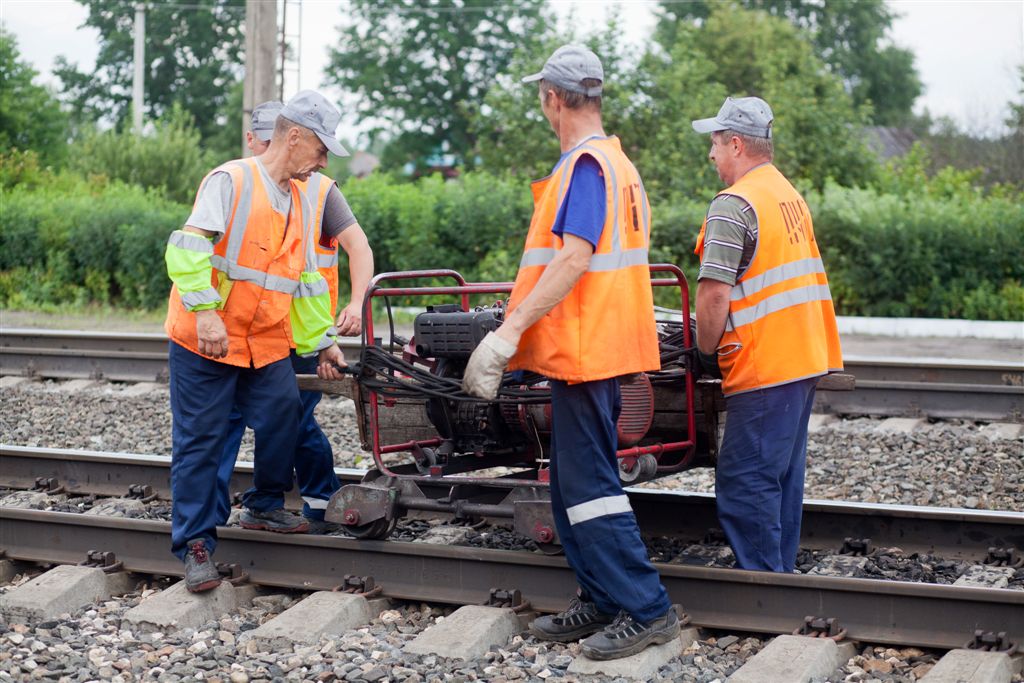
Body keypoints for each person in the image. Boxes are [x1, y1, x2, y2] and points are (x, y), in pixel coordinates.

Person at [462, 45, 679, 661]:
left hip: (588, 349)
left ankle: (647, 608)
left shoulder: (585, 165)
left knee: (591, 488)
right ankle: (602, 596)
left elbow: (575, 257)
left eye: (542, 97)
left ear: (553, 98)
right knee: (568, 485)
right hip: (593, 347)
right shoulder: (616, 163)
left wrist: (507, 334)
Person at [164, 90, 350, 592]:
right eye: (321, 148)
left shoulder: (298, 197)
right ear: (294, 137)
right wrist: (204, 311)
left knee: (284, 416)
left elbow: (304, 281)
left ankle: (265, 505)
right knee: (200, 443)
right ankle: (197, 546)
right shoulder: (232, 179)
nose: (324, 160)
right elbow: (187, 248)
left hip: (263, 343)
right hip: (207, 341)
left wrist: (324, 342)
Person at [690, 97, 843, 572]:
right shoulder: (785, 193)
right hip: (803, 355)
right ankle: (781, 572)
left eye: (715, 144)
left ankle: (765, 587)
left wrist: (703, 351)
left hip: (764, 363)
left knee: (745, 482)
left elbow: (715, 294)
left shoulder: (733, 205)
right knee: (780, 478)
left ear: (735, 143)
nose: (711, 155)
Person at [216, 100, 374, 531]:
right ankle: (226, 514)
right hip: (246, 329)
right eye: (263, 143)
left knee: (292, 417)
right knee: (234, 420)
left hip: (299, 331)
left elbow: (355, 249)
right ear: (254, 142)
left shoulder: (318, 190)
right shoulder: (239, 183)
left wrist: (344, 317)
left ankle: (307, 499)